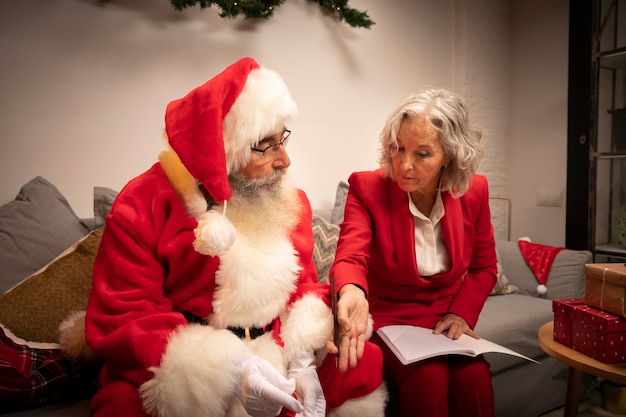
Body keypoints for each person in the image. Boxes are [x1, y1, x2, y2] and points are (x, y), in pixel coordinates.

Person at [60, 57, 387, 417]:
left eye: (284, 139)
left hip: (273, 346)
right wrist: (233, 369)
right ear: (223, 151)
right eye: (266, 145)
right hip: (186, 360)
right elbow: (125, 314)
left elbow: (302, 288)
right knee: (122, 408)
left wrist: (303, 362)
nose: (285, 160)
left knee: (360, 362)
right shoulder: (142, 203)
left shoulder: (287, 200)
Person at [327, 87, 498, 417]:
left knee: (474, 378)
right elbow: (350, 256)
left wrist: (462, 313)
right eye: (398, 148)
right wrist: (351, 292)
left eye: (422, 154)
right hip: (391, 318)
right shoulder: (366, 188)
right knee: (428, 378)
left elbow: (484, 268)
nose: (404, 164)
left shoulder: (474, 191)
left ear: (449, 154)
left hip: (445, 318)